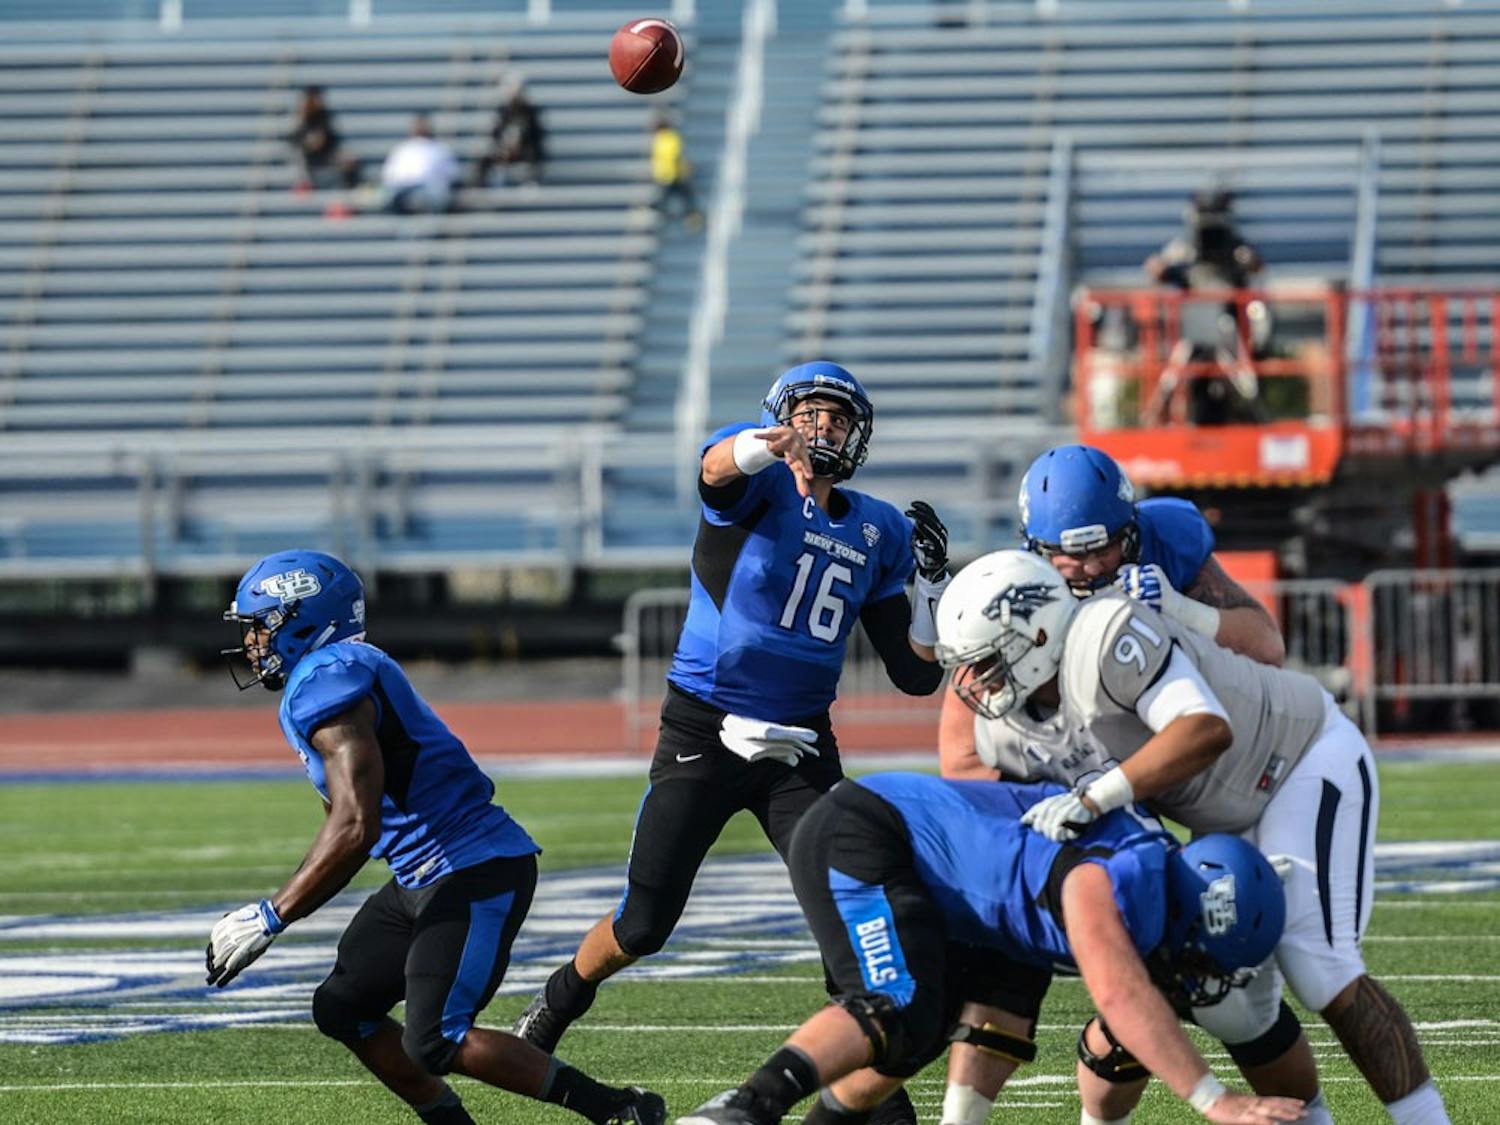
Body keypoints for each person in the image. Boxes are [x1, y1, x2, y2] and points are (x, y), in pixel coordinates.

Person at [512, 361, 950, 1125]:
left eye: (839, 418)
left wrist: (935, 588)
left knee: (851, 912)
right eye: (811, 413)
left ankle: (875, 1093)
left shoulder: (878, 528)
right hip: (706, 727)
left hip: (801, 746)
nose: (825, 427)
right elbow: (715, 471)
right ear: (781, 418)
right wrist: (763, 444)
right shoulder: (758, 481)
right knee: (644, 921)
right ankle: (558, 998)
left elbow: (915, 676)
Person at [933, 549, 1453, 1125]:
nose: (975, 682)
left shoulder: (1104, 638)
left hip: (1294, 759)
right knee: (1231, 1005)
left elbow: (1204, 729)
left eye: (988, 661)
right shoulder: (1004, 731)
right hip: (1214, 812)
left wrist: (1093, 798)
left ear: (1036, 634)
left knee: (1318, 965)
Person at [206, 549, 665, 1125]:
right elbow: (347, 822)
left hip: (472, 866)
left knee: (436, 1039)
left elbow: (356, 826)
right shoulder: (324, 677)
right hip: (422, 873)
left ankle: (620, 1110)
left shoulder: (327, 679)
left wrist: (272, 916)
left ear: (302, 619)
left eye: (261, 625)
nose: (252, 642)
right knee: (343, 1006)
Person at [675, 772, 1303, 1125]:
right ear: (1192, 913)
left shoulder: (1098, 900)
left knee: (924, 1033)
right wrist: (1216, 1100)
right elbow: (1120, 994)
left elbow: (1004, 1018)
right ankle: (743, 1109)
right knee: (900, 1004)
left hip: (934, 881)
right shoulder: (1122, 880)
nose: (1194, 977)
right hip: (867, 835)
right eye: (1200, 958)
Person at [942, 443, 1283, 782]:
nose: (1093, 568)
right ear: (1039, 550)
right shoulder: (1018, 590)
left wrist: (1181, 610)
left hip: (1186, 735)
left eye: (1105, 547)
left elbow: (1267, 648)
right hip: (1077, 760)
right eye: (1075, 555)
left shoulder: (1164, 541)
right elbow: (961, 761)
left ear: (1131, 530)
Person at [1144, 190, 1269, 426]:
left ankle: (1256, 416)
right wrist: (1167, 267)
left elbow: (1257, 268)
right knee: (1177, 369)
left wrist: (1246, 262)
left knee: (1242, 374)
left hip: (1226, 323)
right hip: (1194, 324)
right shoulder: (1183, 248)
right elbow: (1156, 270)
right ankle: (1156, 414)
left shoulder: (1237, 247)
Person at [286, 85, 362, 191]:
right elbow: (293, 140)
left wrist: (321, 140)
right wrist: (307, 142)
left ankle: (351, 190)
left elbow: (332, 140)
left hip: (326, 157)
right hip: (308, 161)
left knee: (349, 160)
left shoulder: (325, 117)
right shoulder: (299, 119)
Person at [381, 115, 460, 215]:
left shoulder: (440, 149)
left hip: (429, 186)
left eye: (423, 126)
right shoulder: (402, 148)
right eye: (418, 126)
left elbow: (452, 173)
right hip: (403, 185)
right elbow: (389, 173)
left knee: (439, 195)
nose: (420, 128)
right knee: (388, 196)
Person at [474, 84, 546, 188]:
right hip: (505, 150)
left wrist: (519, 142)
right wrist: (504, 146)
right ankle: (478, 186)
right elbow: (495, 133)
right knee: (485, 160)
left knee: (534, 157)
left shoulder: (530, 112)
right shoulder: (503, 112)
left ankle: (531, 183)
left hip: (526, 151)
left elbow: (537, 136)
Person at [651, 114, 702, 229]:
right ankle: (691, 219)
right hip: (673, 175)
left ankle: (668, 218)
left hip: (668, 176)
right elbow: (676, 156)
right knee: (686, 199)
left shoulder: (661, 140)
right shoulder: (670, 138)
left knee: (674, 199)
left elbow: (672, 157)